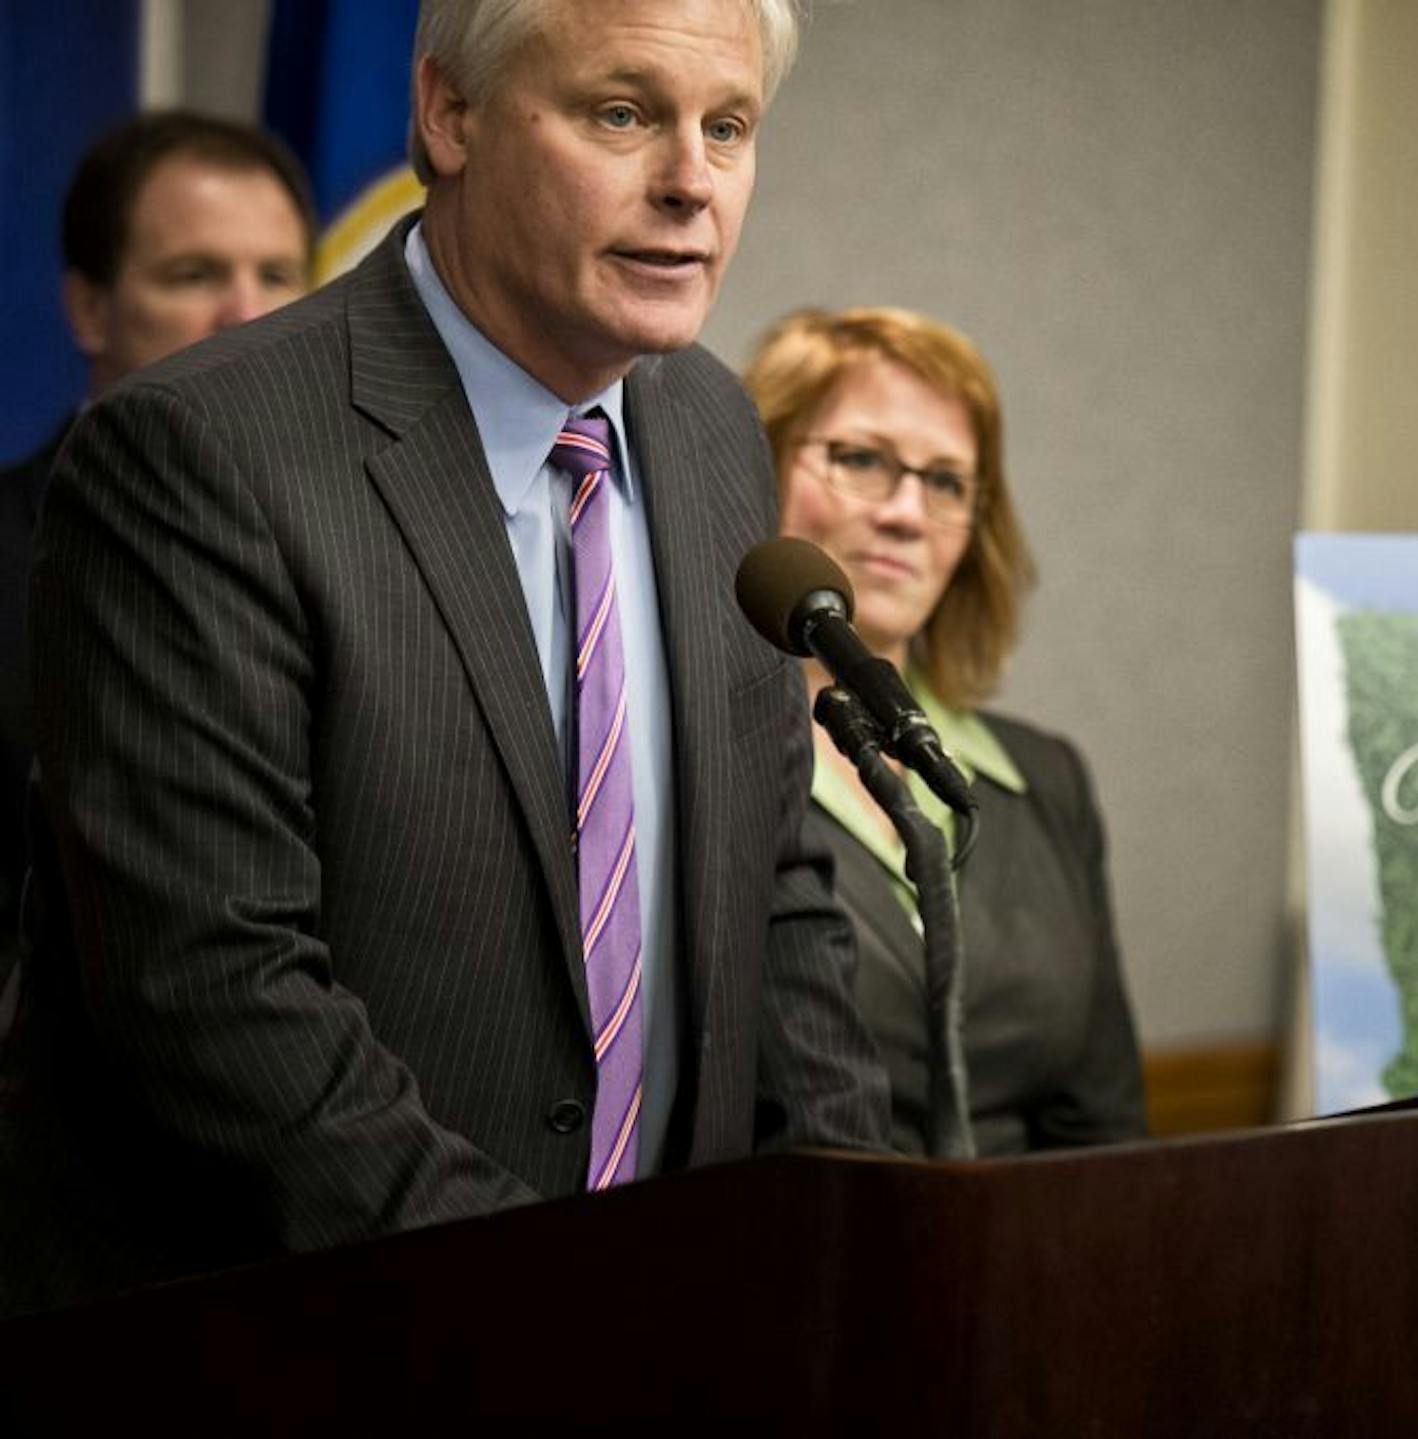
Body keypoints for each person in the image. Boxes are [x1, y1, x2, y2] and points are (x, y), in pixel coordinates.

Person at [2, 0, 888, 1317]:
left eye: (729, 126)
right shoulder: (197, 452)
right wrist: (553, 1307)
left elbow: (780, 881)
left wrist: (841, 1237)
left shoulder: (710, 425)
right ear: (448, 114)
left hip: (692, 1339)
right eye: (623, 113)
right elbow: (214, 982)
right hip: (305, 1352)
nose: (691, 181)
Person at [743, 307, 1146, 1156]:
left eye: (946, 481)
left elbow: (1103, 1126)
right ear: (756, 464)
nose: (906, 513)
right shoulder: (698, 762)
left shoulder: (1046, 779)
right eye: (860, 459)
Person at [0, 111, 314, 1046]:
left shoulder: (382, 549)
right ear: (90, 308)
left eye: (279, 276)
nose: (248, 316)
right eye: (194, 276)